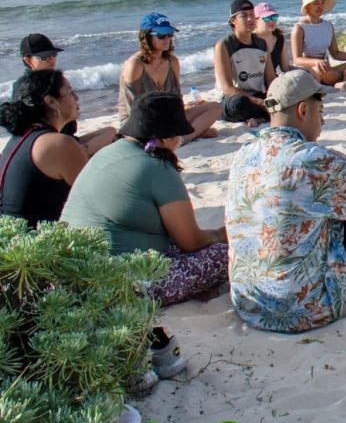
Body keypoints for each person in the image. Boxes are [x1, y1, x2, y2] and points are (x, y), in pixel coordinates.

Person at [226, 70, 346, 333]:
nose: (324, 121)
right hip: (304, 312)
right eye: (321, 112)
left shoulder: (244, 153)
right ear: (303, 110)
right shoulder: (313, 159)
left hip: (249, 304)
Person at [62, 91, 228, 306]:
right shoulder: (157, 167)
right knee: (225, 255)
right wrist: (221, 233)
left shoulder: (106, 152)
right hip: (121, 284)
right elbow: (191, 242)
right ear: (166, 137)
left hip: (75, 272)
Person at [0, 70, 88, 227]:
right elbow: (94, 198)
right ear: (51, 101)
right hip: (36, 246)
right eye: (70, 92)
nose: (77, 98)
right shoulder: (59, 144)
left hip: (9, 241)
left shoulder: (20, 138)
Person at [118, 13, 220, 144]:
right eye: (161, 35)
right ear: (147, 37)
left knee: (214, 107)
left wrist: (180, 115)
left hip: (165, 118)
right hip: (140, 124)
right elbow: (134, 111)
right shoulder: (135, 65)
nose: (167, 39)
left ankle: (181, 139)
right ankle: (181, 137)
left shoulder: (172, 62)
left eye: (170, 34)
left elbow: (175, 98)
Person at [18, 33, 115, 156]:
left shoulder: (54, 79)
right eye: (44, 57)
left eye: (53, 55)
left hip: (68, 138)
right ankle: (79, 153)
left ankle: (80, 151)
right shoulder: (27, 88)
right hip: (50, 145)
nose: (51, 59)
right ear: (28, 60)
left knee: (110, 133)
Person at [213, 0, 275, 125]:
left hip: (259, 95)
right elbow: (228, 88)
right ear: (233, 21)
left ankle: (261, 117)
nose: (250, 19)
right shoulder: (224, 45)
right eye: (244, 16)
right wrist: (259, 102)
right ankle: (266, 115)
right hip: (237, 98)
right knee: (238, 104)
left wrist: (273, 96)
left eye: (252, 15)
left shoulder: (261, 43)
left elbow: (272, 79)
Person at [292, 0, 346, 91]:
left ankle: (344, 82)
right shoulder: (299, 28)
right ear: (307, 7)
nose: (320, 6)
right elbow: (297, 59)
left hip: (327, 68)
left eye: (322, 3)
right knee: (322, 71)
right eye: (316, 3)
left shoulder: (328, 25)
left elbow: (336, 53)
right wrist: (316, 62)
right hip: (310, 69)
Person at [253, 2, 293, 75]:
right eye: (267, 18)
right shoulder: (250, 39)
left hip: (274, 82)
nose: (271, 21)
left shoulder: (279, 38)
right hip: (253, 83)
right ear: (256, 21)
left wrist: (307, 70)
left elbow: (285, 68)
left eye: (274, 17)